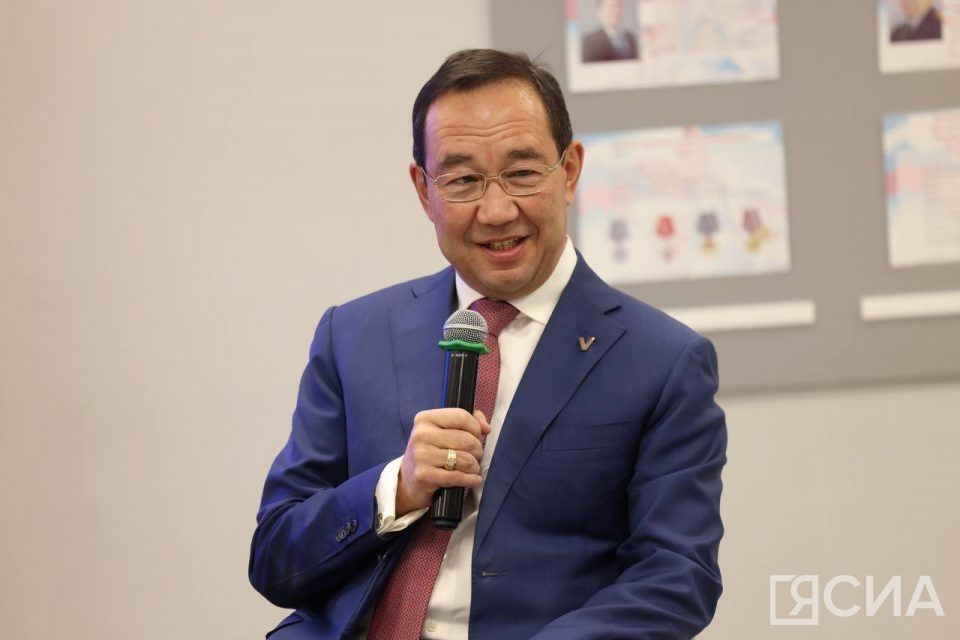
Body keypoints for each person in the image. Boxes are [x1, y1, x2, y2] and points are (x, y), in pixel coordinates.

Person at [249, 49, 726, 640]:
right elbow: (275, 559)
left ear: (570, 171)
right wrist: (396, 488)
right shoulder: (353, 333)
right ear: (424, 190)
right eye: (463, 180)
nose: (497, 211)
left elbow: (675, 579)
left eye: (522, 173)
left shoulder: (662, 360)